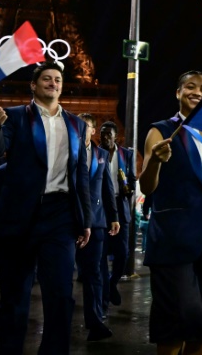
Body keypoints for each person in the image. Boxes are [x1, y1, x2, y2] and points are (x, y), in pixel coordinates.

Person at [0, 61, 92, 355]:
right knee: (15, 296)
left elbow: (79, 173)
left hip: (60, 215)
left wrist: (86, 219)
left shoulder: (77, 124)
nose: (53, 83)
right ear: (34, 85)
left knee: (61, 295)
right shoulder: (16, 116)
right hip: (20, 215)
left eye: (57, 79)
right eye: (46, 78)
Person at [139, 70, 202, 355]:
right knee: (177, 321)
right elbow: (147, 187)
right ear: (178, 93)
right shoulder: (160, 130)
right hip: (175, 241)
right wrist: (156, 163)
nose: (198, 92)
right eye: (191, 87)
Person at [77, 113, 119, 342]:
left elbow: (107, 188)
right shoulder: (67, 152)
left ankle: (95, 322)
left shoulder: (102, 155)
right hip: (71, 222)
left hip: (98, 221)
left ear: (93, 130)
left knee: (94, 273)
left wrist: (113, 216)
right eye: (79, 127)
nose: (83, 131)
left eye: (87, 127)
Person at [98, 120, 136, 312]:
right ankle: (104, 297)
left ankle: (112, 283)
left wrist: (128, 188)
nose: (104, 137)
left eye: (108, 135)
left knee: (123, 254)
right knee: (102, 255)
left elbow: (132, 182)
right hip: (102, 209)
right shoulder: (96, 154)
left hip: (121, 208)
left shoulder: (126, 155)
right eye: (102, 134)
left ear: (116, 137)